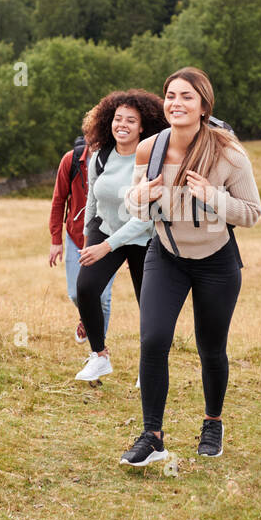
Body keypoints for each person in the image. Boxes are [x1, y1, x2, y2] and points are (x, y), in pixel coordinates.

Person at [119, 67, 261, 466]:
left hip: (216, 261)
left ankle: (212, 422)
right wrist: (139, 197)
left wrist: (214, 197)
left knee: (211, 348)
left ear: (203, 105)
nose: (176, 104)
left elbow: (252, 213)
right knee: (152, 341)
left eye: (186, 97)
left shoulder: (228, 152)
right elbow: (135, 205)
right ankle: (152, 436)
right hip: (166, 255)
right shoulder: (150, 149)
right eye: (171, 96)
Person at [74, 90, 169, 382]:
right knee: (86, 288)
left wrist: (106, 246)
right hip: (105, 231)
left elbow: (146, 219)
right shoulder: (100, 155)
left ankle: (150, 367)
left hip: (143, 238)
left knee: (149, 305)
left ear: (143, 126)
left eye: (131, 120)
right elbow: (93, 197)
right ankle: (99, 356)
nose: (122, 125)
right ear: (108, 121)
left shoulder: (152, 160)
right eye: (118, 119)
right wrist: (89, 235)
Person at [48, 132, 113, 344]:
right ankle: (87, 316)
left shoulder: (115, 161)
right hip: (75, 236)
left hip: (107, 237)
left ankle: (98, 350)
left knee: (102, 297)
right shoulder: (71, 160)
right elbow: (58, 200)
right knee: (76, 294)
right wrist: (56, 239)